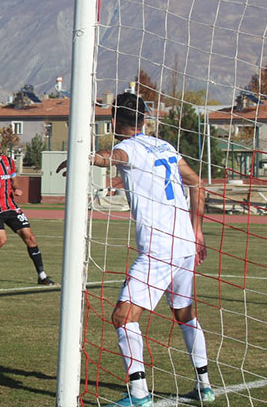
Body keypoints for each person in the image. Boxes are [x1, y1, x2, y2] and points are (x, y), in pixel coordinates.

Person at [88, 93, 213, 406]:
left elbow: (111, 157)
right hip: (184, 242)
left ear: (115, 120)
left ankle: (140, 395)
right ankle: (205, 385)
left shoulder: (127, 148)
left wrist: (87, 156)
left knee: (122, 317)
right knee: (184, 314)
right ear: (144, 118)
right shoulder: (164, 145)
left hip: (159, 248)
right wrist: (196, 229)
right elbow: (196, 181)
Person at [0, 131, 57, 287]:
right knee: (0, 241)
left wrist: (16, 188)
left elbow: (14, 181)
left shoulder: (8, 162)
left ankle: (42, 275)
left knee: (30, 237)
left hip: (11, 206)